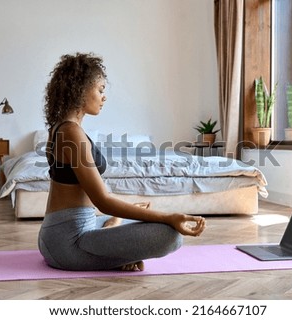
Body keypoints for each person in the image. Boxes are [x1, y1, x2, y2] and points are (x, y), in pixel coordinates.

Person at [38, 52, 206, 271]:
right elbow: (103, 200)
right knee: (170, 235)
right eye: (100, 90)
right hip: (68, 244)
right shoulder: (71, 132)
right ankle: (119, 250)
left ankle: (115, 229)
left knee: (135, 221)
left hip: (60, 234)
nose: (104, 97)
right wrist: (169, 217)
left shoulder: (61, 127)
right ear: (80, 90)